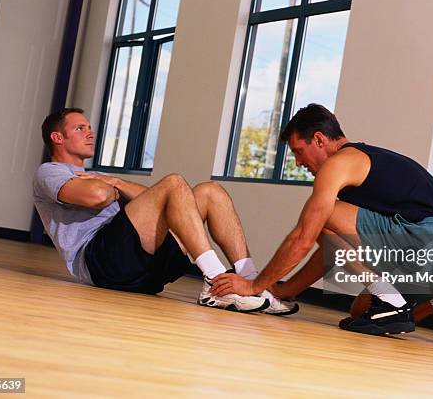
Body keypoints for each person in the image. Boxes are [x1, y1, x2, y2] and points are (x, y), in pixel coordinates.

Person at [211, 103, 433, 348]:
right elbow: (331, 248)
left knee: (320, 216)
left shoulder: (341, 163)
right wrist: (285, 291)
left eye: (299, 151)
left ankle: (400, 301)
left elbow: (303, 238)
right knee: (361, 310)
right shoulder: (367, 164)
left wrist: (253, 286)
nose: (299, 162)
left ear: (319, 139)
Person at [33, 107, 298, 315]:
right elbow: (98, 196)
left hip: (143, 268)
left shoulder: (97, 175)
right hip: (102, 263)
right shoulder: (49, 172)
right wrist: (109, 187)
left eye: (89, 128)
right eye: (80, 128)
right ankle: (217, 281)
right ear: (58, 138)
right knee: (173, 183)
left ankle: (251, 282)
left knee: (210, 191)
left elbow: (150, 198)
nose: (90, 133)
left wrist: (117, 182)